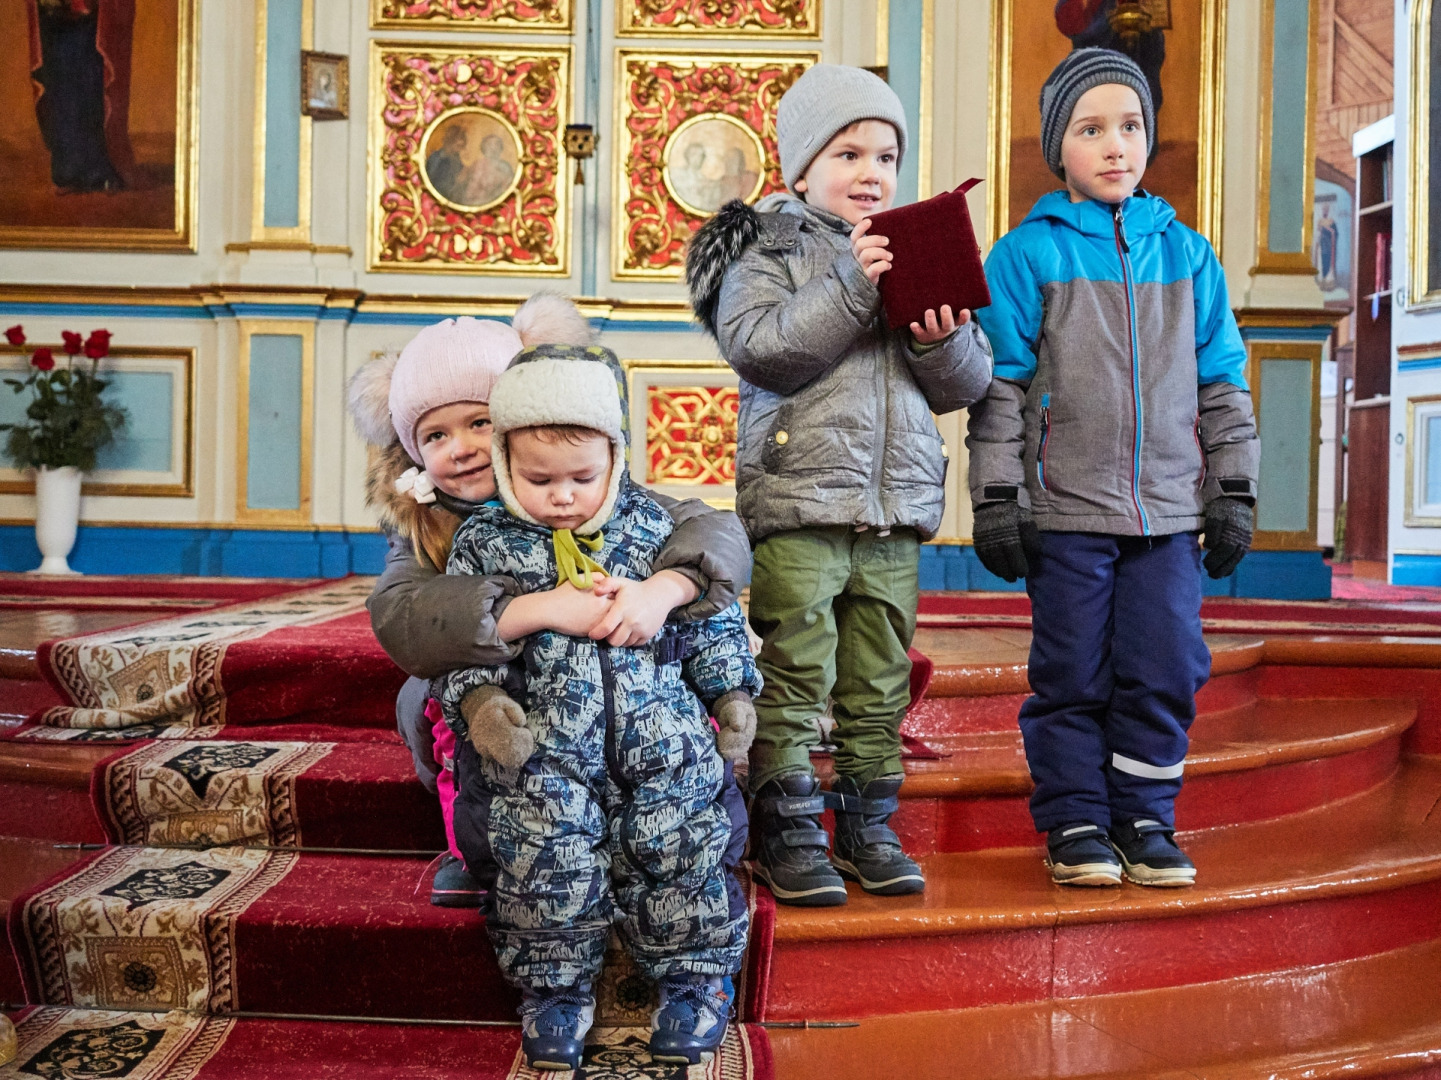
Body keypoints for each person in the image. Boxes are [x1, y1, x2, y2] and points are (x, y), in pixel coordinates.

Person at [686, 64, 994, 907]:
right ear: (799, 168)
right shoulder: (770, 248)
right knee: (794, 668)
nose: (871, 173)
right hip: (801, 504)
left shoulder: (910, 245)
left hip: (893, 510)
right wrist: (855, 282)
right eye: (848, 151)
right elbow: (766, 350)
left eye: (886, 155)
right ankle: (786, 825)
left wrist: (939, 339)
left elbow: (963, 383)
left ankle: (865, 822)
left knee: (877, 675)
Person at [347, 295, 754, 907]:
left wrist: (662, 590)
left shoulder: (580, 485)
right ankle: (471, 833)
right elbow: (404, 614)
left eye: (480, 423)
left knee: (697, 657)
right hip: (514, 689)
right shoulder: (425, 521)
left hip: (612, 683)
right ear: (412, 451)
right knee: (424, 694)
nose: (460, 447)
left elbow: (713, 530)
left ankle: (691, 814)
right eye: (435, 434)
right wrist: (537, 609)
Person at [966, 49, 1258, 888]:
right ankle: (1075, 823)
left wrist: (1229, 490)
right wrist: (996, 496)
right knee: (1071, 675)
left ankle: (1144, 819)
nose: (1114, 145)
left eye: (1128, 127)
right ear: (1059, 148)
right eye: (1090, 130)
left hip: (1168, 515)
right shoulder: (1027, 256)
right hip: (1064, 512)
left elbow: (1222, 384)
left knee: (1164, 666)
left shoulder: (1188, 257)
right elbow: (1000, 389)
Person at [436, 343, 761, 1071]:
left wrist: (731, 691)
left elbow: (705, 618)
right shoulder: (485, 541)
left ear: (615, 458)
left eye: (582, 478)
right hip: (543, 748)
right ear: (504, 462)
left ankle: (694, 982)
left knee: (681, 851)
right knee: (544, 862)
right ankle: (555, 992)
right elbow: (465, 642)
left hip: (662, 739)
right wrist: (484, 705)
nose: (561, 496)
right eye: (538, 478)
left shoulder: (650, 528)